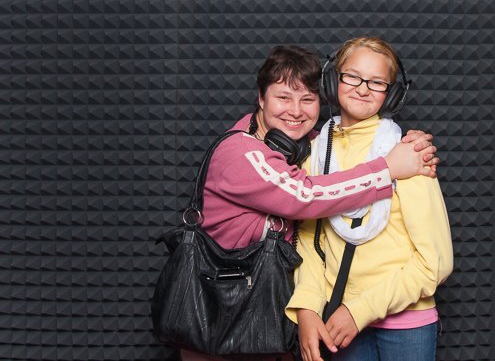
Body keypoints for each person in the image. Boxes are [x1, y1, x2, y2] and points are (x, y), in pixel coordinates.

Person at [180, 44, 439, 361]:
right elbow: (306, 196)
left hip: (269, 320)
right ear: (261, 98)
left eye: (307, 99)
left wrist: (411, 144)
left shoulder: (311, 149)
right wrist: (389, 168)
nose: (296, 111)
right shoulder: (242, 154)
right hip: (223, 316)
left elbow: (338, 147)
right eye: (283, 97)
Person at [286, 37, 453, 361]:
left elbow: (436, 263)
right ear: (333, 79)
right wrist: (306, 307)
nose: (363, 89)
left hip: (405, 325)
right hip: (338, 320)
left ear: (391, 93)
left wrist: (360, 309)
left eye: (377, 82)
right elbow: (310, 243)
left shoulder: (409, 155)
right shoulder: (315, 154)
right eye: (352, 76)